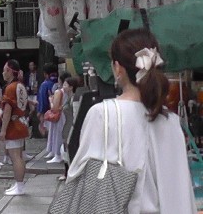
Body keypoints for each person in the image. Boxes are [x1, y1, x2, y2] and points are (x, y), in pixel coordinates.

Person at [67, 28, 195, 213]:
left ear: (118, 68)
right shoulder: (171, 120)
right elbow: (181, 189)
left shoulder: (103, 114)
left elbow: (80, 179)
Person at [0, 59, 29, 196]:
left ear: (10, 71)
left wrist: (3, 130)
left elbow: (7, 110)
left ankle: (19, 186)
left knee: (15, 156)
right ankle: (19, 184)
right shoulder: (20, 85)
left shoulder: (10, 88)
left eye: (5, 69)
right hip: (21, 122)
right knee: (19, 156)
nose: (3, 72)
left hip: (13, 124)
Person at [45, 72, 69, 163]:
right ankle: (56, 153)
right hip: (65, 114)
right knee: (61, 134)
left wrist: (51, 100)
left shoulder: (58, 91)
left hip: (58, 115)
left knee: (56, 134)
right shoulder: (68, 91)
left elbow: (54, 108)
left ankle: (57, 154)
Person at [37, 63, 58, 140]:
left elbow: (43, 100)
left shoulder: (45, 84)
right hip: (59, 112)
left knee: (49, 135)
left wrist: (41, 112)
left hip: (48, 113)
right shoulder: (60, 83)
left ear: (45, 73)